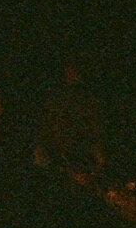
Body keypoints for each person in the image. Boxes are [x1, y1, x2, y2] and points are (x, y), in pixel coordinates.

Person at [32, 58, 104, 186]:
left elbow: (92, 123)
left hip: (78, 146)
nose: (72, 75)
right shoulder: (57, 97)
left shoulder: (85, 97)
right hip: (61, 148)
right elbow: (50, 123)